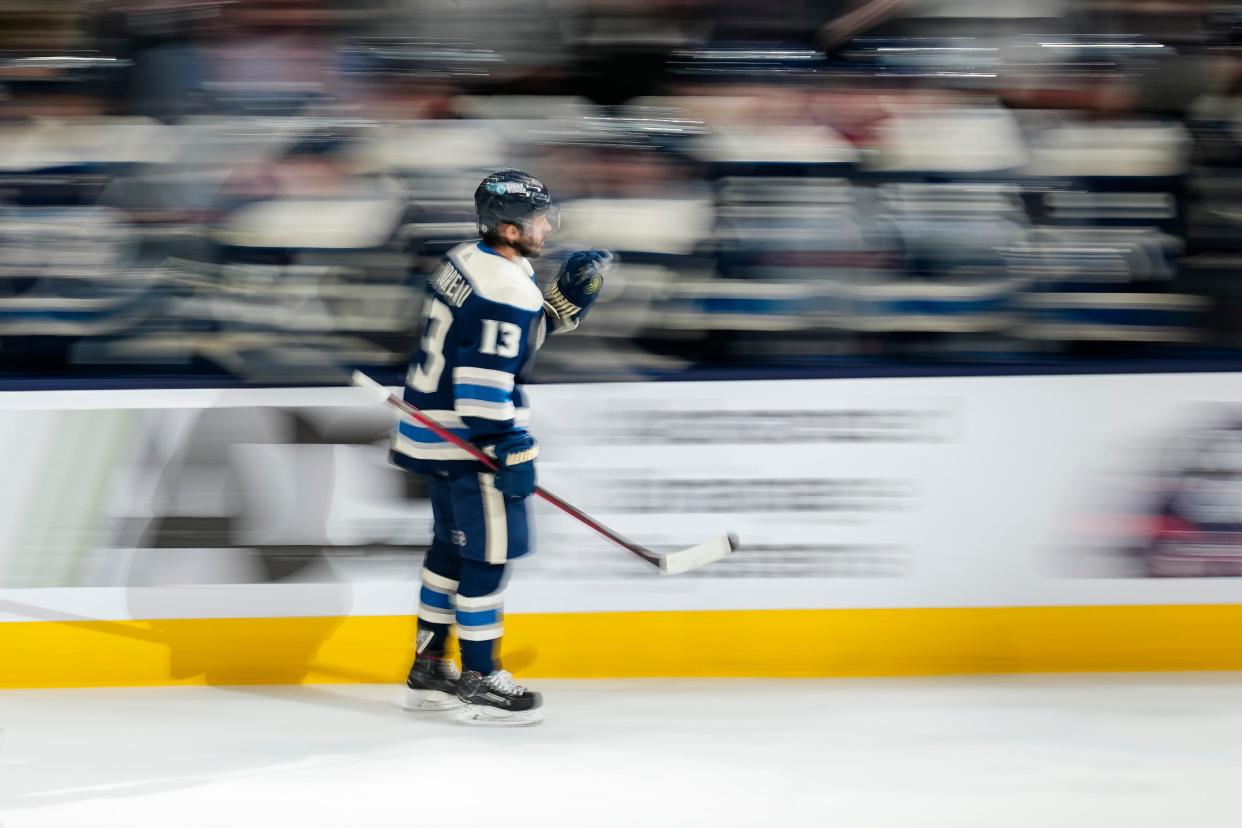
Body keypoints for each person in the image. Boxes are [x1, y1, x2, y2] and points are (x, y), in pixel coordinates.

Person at [390, 170, 611, 726]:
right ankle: (481, 676)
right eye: (538, 219)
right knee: (489, 558)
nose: (546, 226)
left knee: (450, 552)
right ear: (509, 229)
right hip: (469, 442)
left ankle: (429, 666)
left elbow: (486, 339)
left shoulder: (467, 258)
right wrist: (507, 443)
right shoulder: (507, 287)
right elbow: (483, 378)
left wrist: (552, 310)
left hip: (431, 431)